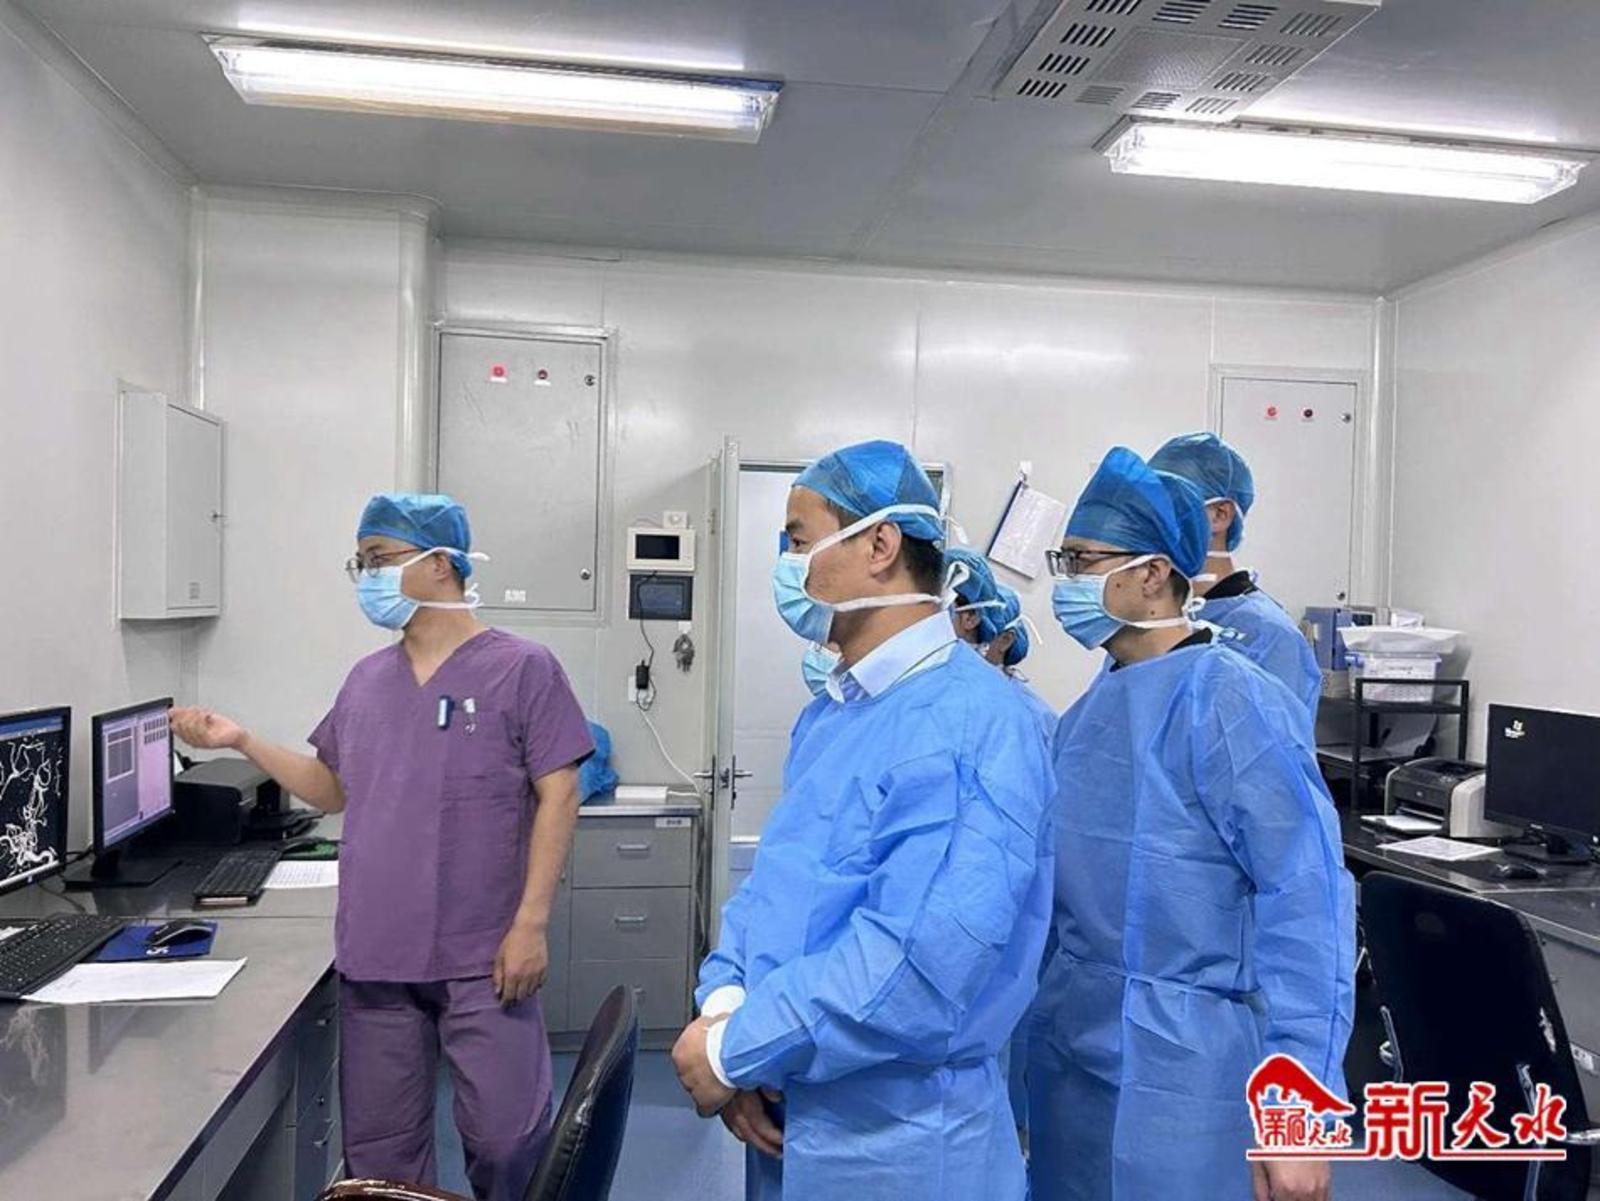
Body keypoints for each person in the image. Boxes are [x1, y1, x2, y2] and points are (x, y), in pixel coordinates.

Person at [170, 493, 594, 1201]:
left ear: (440, 563)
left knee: (508, 1144)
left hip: (486, 954)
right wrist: (240, 739)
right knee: (382, 1162)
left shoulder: (523, 669)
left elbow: (561, 793)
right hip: (378, 955)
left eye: (378, 559)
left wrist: (531, 923)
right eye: (360, 563)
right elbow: (332, 787)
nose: (366, 577)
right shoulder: (367, 681)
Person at [671, 440, 1056, 1201]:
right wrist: (728, 1010)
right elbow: (774, 895)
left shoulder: (976, 722)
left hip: (903, 1145)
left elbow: (919, 964)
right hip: (784, 1106)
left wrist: (734, 1050)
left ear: (880, 545)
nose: (788, 565)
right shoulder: (834, 714)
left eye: (798, 540)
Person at [1027, 448, 1355, 1201]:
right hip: (1075, 1053)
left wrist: (1298, 1109)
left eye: (1080, 560)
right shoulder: (1088, 714)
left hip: (1191, 1067)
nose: (1066, 581)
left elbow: (1308, 904)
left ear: (1151, 574)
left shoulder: (1234, 701)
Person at [1149, 431, 1321, 725]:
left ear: (1220, 515)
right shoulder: (1149, 621)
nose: (1152, 519)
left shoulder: (1268, 636)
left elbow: (1270, 748)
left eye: (1171, 504)